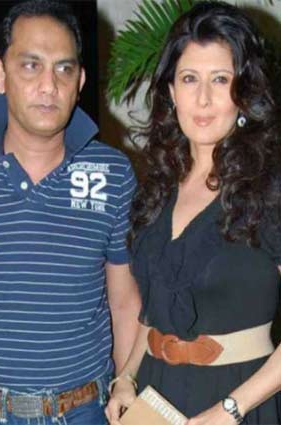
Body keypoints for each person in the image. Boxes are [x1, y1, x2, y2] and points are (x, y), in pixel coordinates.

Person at [0, 1, 142, 423]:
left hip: (85, 412)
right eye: (31, 66)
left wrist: (127, 399)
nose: (49, 85)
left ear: (80, 81)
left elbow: (125, 302)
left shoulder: (112, 173)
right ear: (0, 74)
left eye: (64, 69)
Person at [105, 2, 281, 424]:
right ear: (171, 92)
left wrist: (230, 410)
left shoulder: (271, 189)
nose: (203, 98)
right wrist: (126, 377)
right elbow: (154, 312)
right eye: (189, 79)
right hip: (154, 399)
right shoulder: (158, 188)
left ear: (245, 92)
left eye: (220, 79)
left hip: (237, 400)